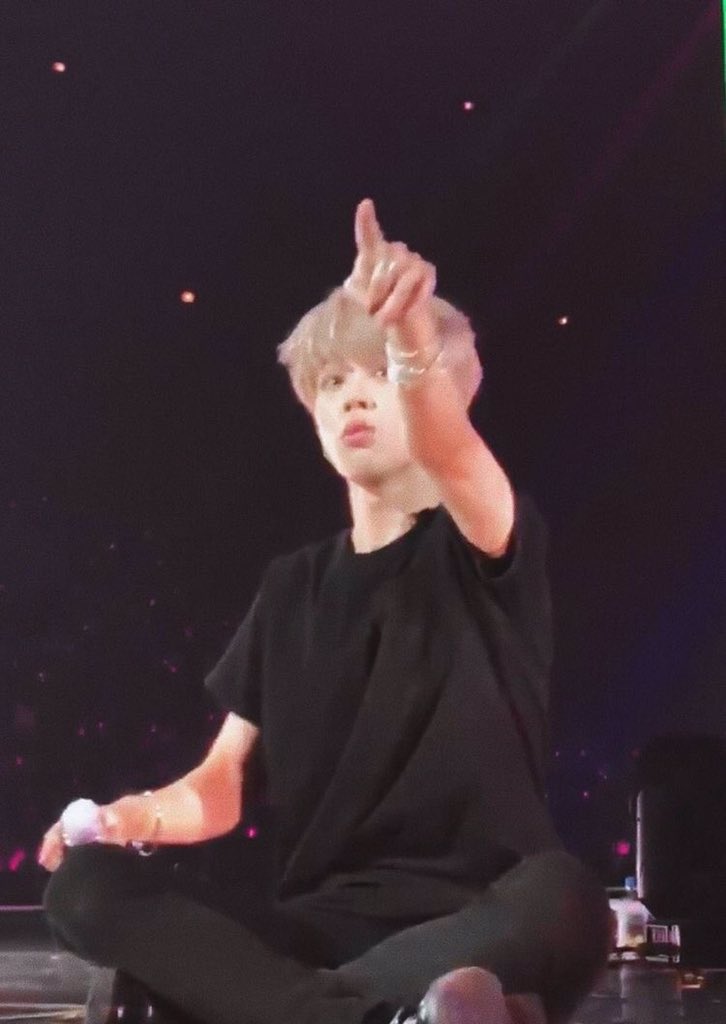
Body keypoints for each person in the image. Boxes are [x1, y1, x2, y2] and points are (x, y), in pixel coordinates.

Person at [39, 199, 612, 1024]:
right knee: (83, 888)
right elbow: (220, 785)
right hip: (316, 931)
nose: (353, 399)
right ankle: (383, 1017)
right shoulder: (291, 588)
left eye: (377, 375)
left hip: (478, 918)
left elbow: (451, 451)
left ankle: (299, 1010)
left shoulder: (484, 539)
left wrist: (409, 338)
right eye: (334, 382)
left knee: (565, 895)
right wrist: (126, 817)